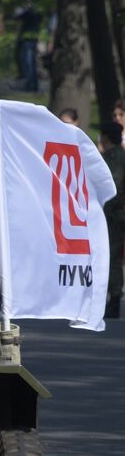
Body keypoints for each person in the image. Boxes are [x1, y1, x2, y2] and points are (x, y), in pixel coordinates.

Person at [99, 122, 125, 319]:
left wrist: (100, 208)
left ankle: (113, 299)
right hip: (115, 213)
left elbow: (112, 189)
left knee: (112, 257)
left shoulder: (115, 158)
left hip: (114, 215)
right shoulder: (117, 155)